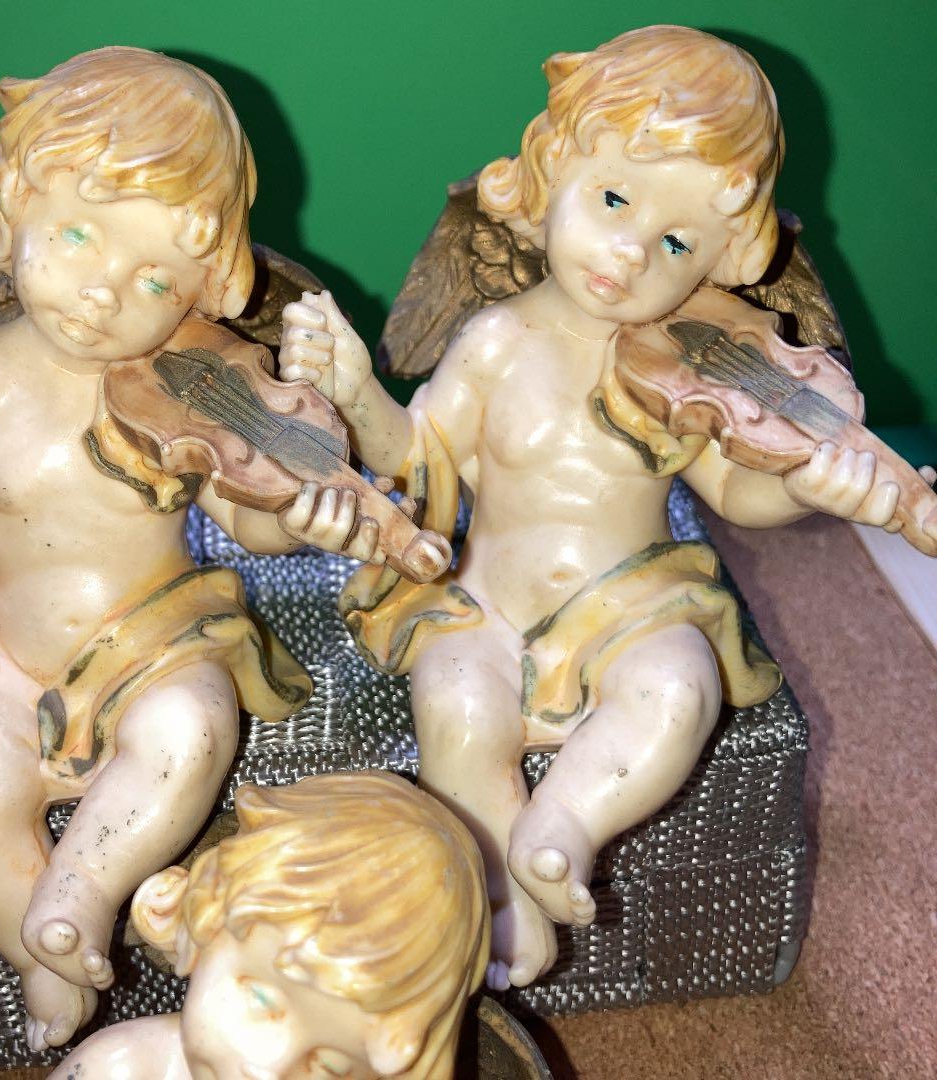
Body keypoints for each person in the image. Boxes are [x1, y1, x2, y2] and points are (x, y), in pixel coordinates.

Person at [278, 25, 931, 991]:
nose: (628, 256)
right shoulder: (495, 340)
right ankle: (502, 893)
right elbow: (419, 456)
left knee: (678, 688)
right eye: (614, 199)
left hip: (634, 601)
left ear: (716, 265)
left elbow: (734, 492)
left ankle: (565, 827)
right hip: (487, 598)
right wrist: (355, 390)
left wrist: (803, 484)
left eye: (675, 243)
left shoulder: (691, 367)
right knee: (458, 700)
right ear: (550, 175)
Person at [0, 46, 371, 1050]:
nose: (101, 292)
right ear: (11, 211)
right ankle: (35, 945)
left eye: (153, 278)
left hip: (154, 643)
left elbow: (249, 516)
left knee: (193, 728)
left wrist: (298, 516)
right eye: (77, 235)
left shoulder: (191, 385)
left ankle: (82, 891)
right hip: (5, 655)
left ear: (200, 293)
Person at [51, 771, 490, 1080]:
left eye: (330, 1068)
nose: (271, 1070)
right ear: (204, 920)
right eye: (261, 1000)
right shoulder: (124, 1069)